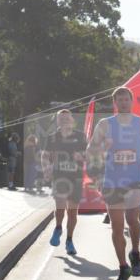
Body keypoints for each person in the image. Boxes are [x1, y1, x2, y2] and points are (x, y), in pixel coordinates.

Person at [89, 87, 140, 280]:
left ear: (132, 101)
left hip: (135, 179)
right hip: (111, 180)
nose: (124, 103)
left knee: (133, 221)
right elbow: (91, 149)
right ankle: (123, 267)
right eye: (120, 100)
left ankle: (135, 251)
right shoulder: (105, 124)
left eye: (127, 99)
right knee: (117, 226)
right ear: (115, 103)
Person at [45, 109, 86, 255]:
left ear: (71, 120)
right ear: (57, 121)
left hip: (76, 177)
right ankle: (58, 228)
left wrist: (81, 157)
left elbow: (87, 155)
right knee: (60, 207)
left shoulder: (80, 136)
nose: (64, 121)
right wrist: (47, 168)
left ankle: (69, 240)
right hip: (59, 176)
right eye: (61, 119)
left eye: (67, 119)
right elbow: (46, 155)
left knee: (73, 213)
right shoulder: (52, 137)